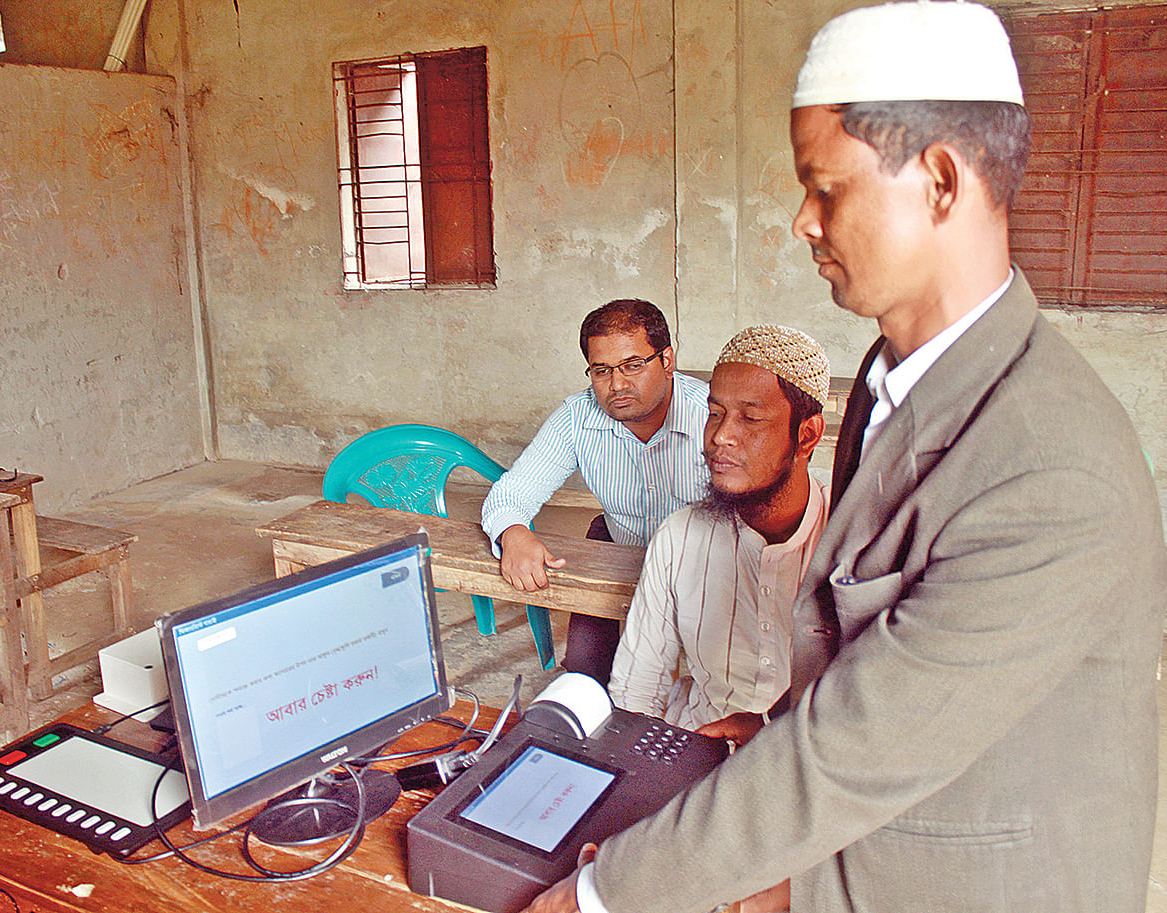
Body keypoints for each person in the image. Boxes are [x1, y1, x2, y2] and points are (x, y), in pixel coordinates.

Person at [522, 4, 1167, 913]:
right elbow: (857, 660)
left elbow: (855, 749)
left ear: (941, 180)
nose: (801, 220)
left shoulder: (1052, 473)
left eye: (825, 188)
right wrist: (772, 731)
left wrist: (604, 893)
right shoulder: (888, 378)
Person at [608, 325, 830, 745]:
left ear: (806, 435)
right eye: (715, 413)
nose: (720, 437)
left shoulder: (851, 538)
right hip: (698, 749)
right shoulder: (681, 536)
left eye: (750, 418)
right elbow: (637, 688)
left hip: (812, 759)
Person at [482, 299, 709, 685]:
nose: (617, 384)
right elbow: (511, 494)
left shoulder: (711, 414)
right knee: (585, 679)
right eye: (601, 370)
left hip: (705, 564)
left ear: (667, 361)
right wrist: (514, 534)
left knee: (722, 688)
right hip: (618, 550)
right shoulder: (577, 416)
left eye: (633, 365)